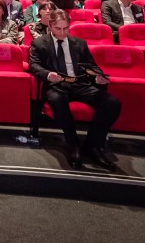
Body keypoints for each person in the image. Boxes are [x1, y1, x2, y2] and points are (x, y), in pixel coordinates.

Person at [28, 9, 121, 171]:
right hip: (56, 84)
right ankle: (73, 145)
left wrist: (97, 77)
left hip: (80, 83)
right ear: (50, 26)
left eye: (66, 28)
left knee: (112, 103)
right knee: (57, 100)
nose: (62, 32)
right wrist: (48, 74)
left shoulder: (79, 43)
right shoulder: (39, 43)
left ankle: (93, 145)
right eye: (58, 28)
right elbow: (34, 66)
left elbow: (91, 66)